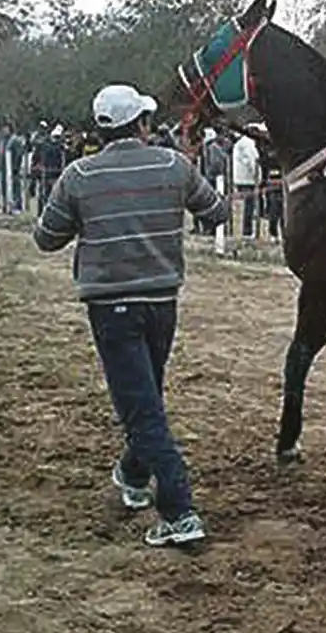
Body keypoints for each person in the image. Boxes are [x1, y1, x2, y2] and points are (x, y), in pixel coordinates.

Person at [33, 84, 228, 547]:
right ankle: (133, 474)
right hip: (162, 302)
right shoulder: (173, 166)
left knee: (141, 406)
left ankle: (179, 511)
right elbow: (217, 212)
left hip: (110, 307)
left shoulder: (78, 175)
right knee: (147, 397)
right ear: (141, 124)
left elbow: (46, 238)